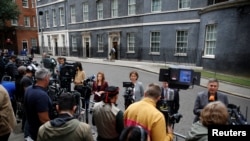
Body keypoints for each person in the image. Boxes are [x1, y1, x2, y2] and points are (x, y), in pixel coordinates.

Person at [24, 68, 53, 141]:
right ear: (46, 79)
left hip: (30, 130)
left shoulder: (29, 89)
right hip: (38, 134)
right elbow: (44, 120)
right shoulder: (41, 96)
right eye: (49, 78)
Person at [20, 64, 37, 138]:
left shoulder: (27, 78)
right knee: (28, 116)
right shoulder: (26, 79)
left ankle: (24, 128)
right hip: (26, 100)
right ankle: (26, 132)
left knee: (26, 115)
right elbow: (27, 91)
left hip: (26, 99)